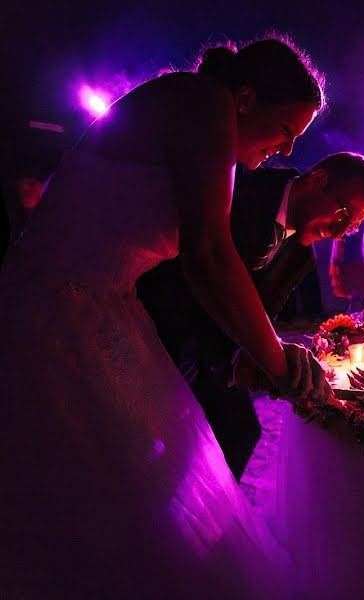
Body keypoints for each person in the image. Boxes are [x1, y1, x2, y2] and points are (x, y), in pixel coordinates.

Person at [0, 37, 330, 597]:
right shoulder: (202, 101)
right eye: (284, 129)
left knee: (139, 489)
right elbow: (207, 255)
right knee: (99, 497)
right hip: (54, 311)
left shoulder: (208, 118)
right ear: (245, 97)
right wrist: (276, 361)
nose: (286, 148)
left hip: (106, 308)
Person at [138, 152, 364, 478]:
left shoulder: (301, 257)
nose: (338, 232)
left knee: (240, 431)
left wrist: (267, 362)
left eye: (349, 228)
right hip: (157, 330)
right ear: (318, 179)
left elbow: (262, 317)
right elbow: (200, 271)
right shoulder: (244, 191)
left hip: (212, 353)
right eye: (342, 214)